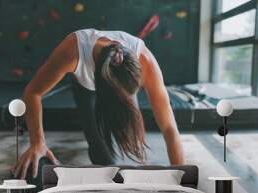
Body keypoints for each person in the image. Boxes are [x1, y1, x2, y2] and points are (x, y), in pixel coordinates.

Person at [13, 29, 185, 180]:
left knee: (128, 141)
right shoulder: (73, 51)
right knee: (107, 162)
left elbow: (169, 127)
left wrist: (181, 175)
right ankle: (97, 145)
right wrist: (37, 142)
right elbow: (33, 92)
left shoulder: (145, 60)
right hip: (85, 88)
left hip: (118, 84)